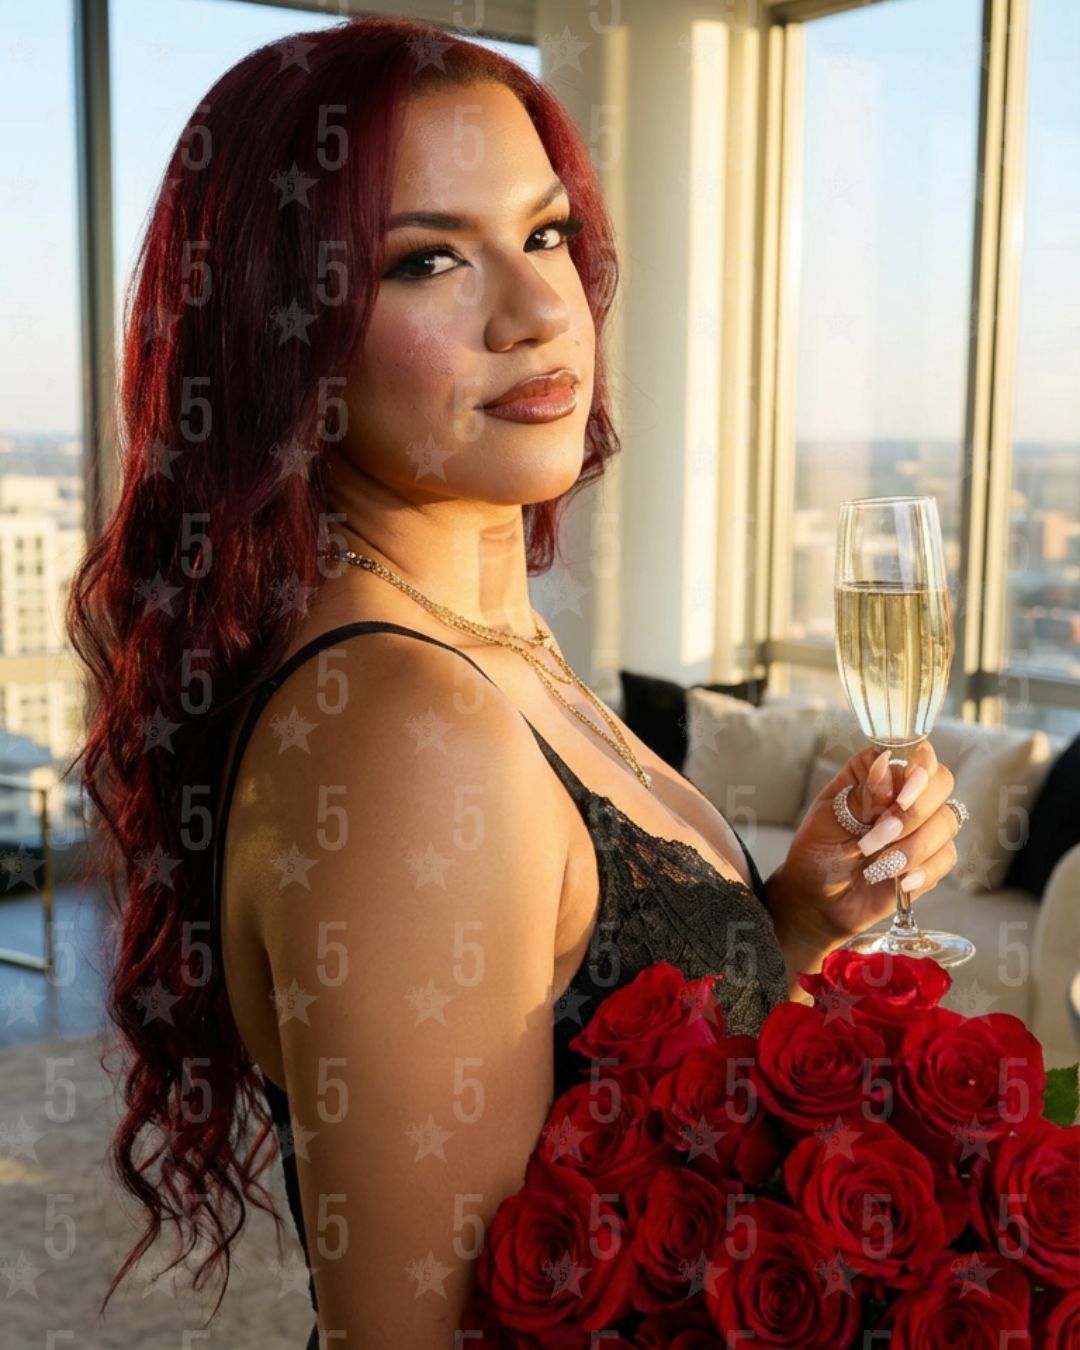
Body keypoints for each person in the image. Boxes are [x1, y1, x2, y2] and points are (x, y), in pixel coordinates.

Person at [67, 16, 964, 1347]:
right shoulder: (400, 725)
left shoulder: (492, 649)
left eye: (543, 235)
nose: (539, 307)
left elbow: (600, 1080)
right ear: (283, 335)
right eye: (427, 258)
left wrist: (796, 917)